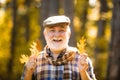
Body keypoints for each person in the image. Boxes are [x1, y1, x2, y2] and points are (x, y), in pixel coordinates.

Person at [21, 15, 96, 80]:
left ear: (69, 34)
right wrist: (28, 74)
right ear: (45, 34)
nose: (57, 35)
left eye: (62, 30)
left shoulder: (82, 60)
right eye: (52, 30)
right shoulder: (33, 61)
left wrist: (83, 72)